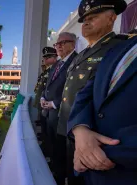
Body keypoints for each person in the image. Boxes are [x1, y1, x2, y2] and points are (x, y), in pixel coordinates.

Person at [57, 0, 130, 184]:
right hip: (71, 128)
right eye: (84, 19)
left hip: (92, 135)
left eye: (93, 17)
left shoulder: (119, 48)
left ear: (112, 18)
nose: (86, 22)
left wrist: (81, 127)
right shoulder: (80, 55)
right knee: (69, 175)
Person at [68, 34, 137, 184]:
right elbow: (86, 93)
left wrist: (90, 153)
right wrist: (80, 129)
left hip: (124, 171)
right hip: (92, 173)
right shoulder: (118, 49)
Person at [41, 32, 78, 185]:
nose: (59, 46)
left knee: (63, 153)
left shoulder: (77, 61)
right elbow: (47, 86)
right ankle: (54, 175)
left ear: (73, 44)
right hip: (50, 115)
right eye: (58, 43)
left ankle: (60, 178)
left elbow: (75, 89)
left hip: (63, 115)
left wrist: (54, 103)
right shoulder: (57, 64)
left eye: (64, 42)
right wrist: (43, 97)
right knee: (54, 149)